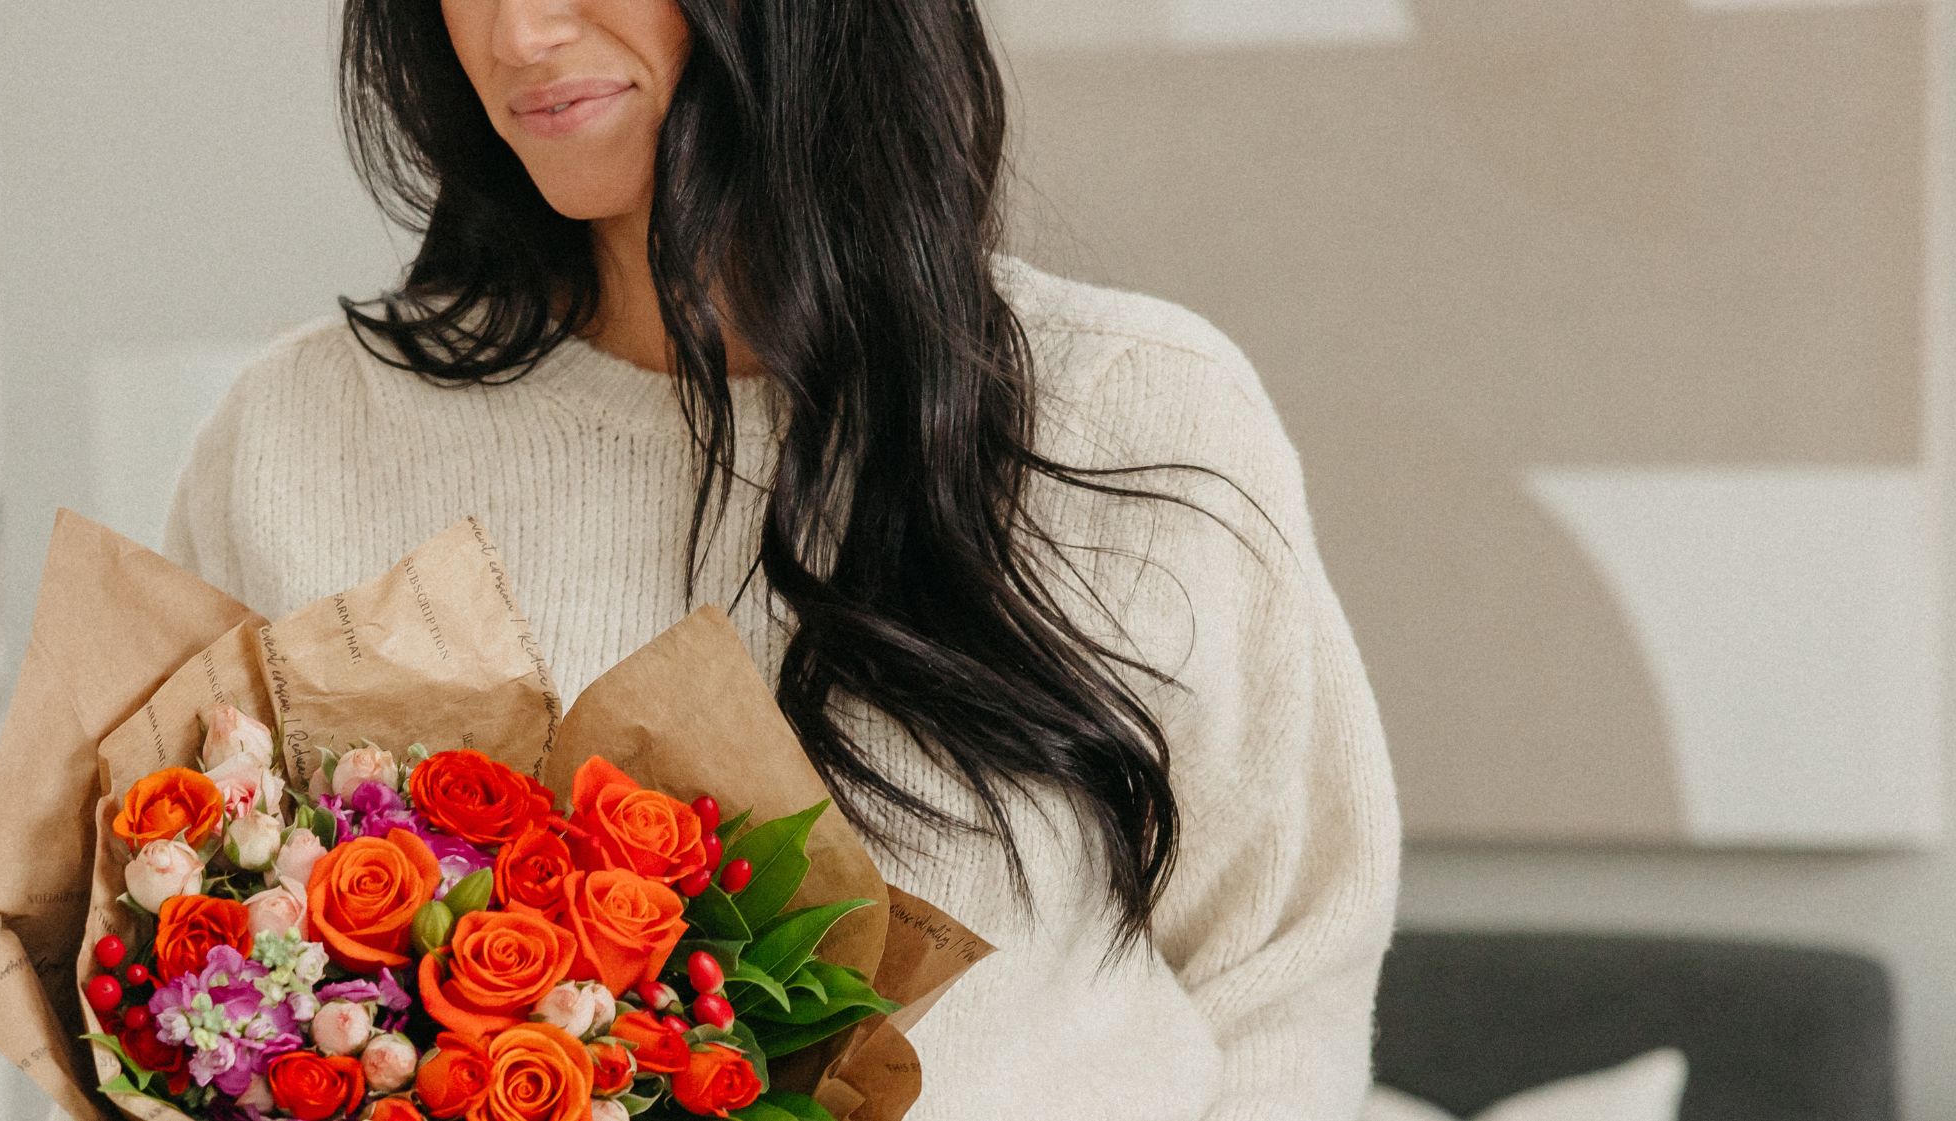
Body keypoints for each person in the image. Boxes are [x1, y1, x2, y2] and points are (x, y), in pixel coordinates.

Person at [160, 0, 1400, 1116]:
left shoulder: (1133, 409)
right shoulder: (300, 438)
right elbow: (160, 1002)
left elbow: (1279, 971)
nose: (515, 34)